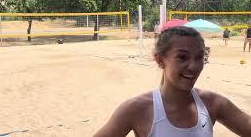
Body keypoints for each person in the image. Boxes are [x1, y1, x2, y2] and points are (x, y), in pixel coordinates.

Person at [94, 26, 251, 137]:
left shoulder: (214, 104)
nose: (194, 66)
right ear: (160, 60)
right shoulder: (136, 109)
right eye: (182, 57)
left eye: (199, 57)